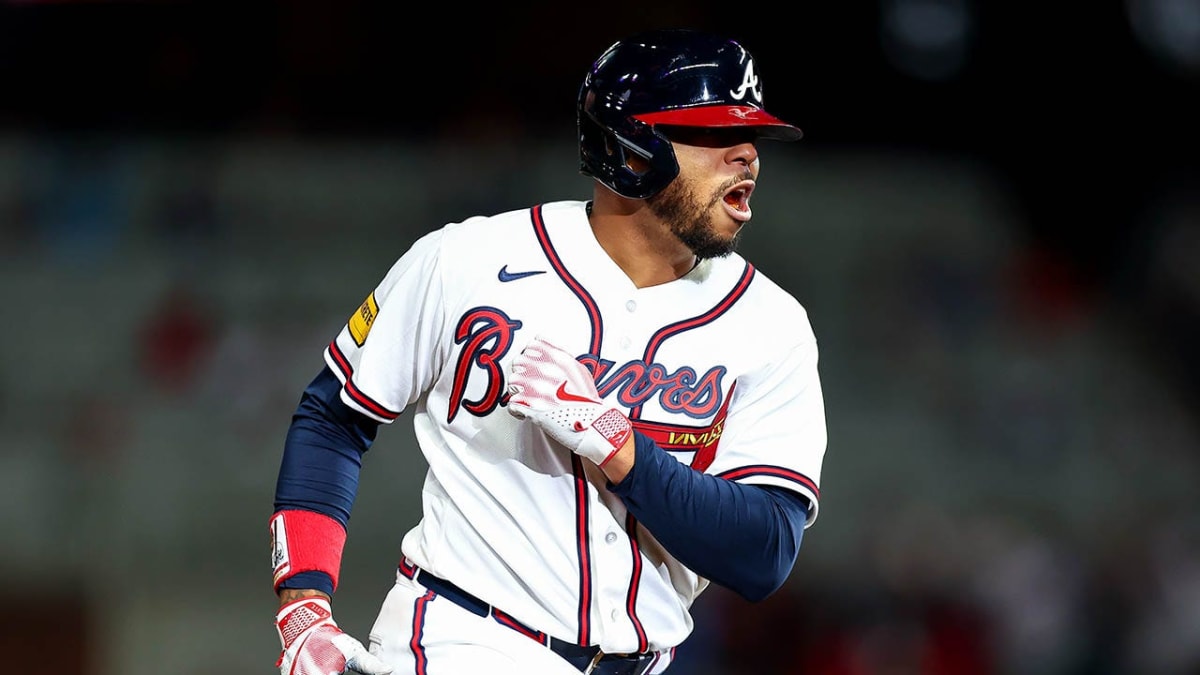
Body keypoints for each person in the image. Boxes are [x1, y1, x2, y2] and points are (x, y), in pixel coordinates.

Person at [269, 28, 829, 675]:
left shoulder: (771, 324)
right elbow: (334, 414)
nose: (747, 156)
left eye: (750, 135)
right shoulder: (468, 261)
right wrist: (304, 603)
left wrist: (621, 448)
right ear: (631, 150)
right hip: (466, 639)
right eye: (711, 133)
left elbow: (763, 552)